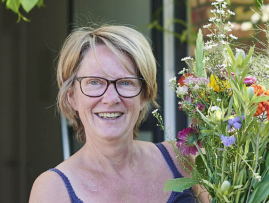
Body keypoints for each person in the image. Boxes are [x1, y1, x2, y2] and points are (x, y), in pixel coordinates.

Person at [29, 25, 209, 203]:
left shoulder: (181, 158)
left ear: (144, 95)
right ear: (72, 97)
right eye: (94, 82)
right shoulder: (53, 189)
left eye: (125, 82)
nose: (110, 98)